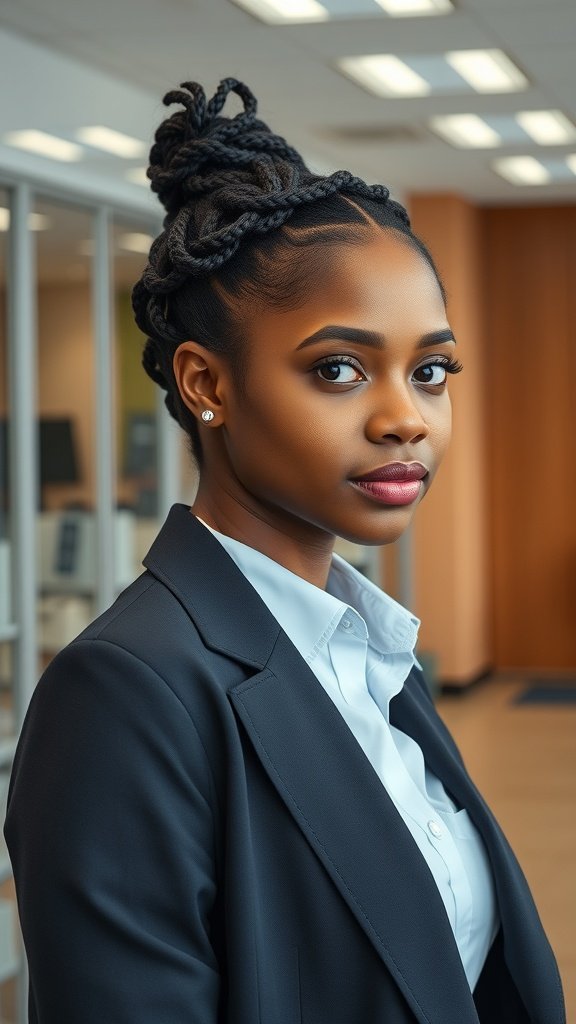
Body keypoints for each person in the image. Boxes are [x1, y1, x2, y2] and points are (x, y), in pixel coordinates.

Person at [4, 78, 565, 1024]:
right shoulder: (128, 694)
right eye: (338, 369)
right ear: (205, 384)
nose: (406, 420)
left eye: (430, 371)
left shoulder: (367, 650)